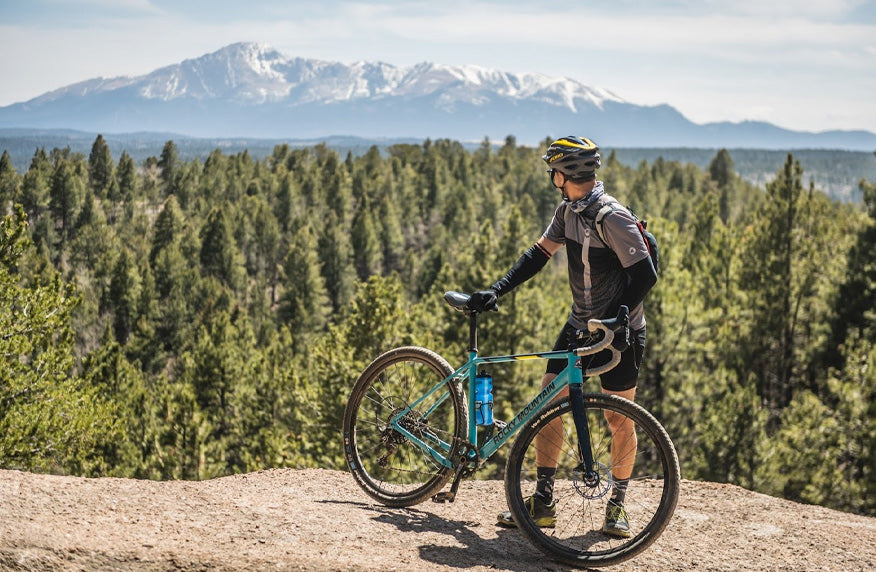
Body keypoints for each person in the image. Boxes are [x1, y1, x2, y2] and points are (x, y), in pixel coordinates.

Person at [467, 135, 657, 538]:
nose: (550, 175)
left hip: (620, 332)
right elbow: (538, 254)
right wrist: (497, 289)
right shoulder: (567, 212)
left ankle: (618, 506)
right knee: (548, 403)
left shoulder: (612, 217)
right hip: (578, 327)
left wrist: (621, 318)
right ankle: (543, 502)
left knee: (619, 418)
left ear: (564, 173)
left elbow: (645, 273)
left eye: (552, 168)